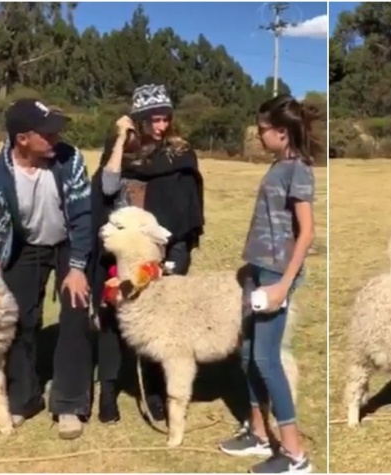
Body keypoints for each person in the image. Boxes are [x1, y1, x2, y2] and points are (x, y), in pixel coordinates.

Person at [0, 98, 93, 439]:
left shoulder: (71, 160)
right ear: (23, 138)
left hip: (68, 243)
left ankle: (69, 404)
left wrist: (78, 267)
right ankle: (24, 398)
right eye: (48, 133)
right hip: (24, 248)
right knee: (20, 319)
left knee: (75, 312)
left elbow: (83, 216)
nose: (57, 138)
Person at [89, 83, 205, 424]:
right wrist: (121, 140)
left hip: (168, 249)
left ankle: (154, 391)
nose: (162, 126)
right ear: (138, 120)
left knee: (160, 321)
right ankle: (108, 390)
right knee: (114, 316)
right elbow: (108, 187)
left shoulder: (179, 151)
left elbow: (188, 204)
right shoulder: (123, 148)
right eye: (154, 119)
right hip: (124, 250)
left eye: (166, 118)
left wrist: (177, 250)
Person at [217, 94, 317, 473]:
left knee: (266, 359)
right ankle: (259, 434)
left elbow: (306, 233)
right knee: (247, 355)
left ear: (281, 132)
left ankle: (295, 454)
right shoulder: (278, 166)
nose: (258, 136)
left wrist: (282, 286)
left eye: (262, 130)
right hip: (259, 270)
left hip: (277, 275)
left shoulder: (298, 170)